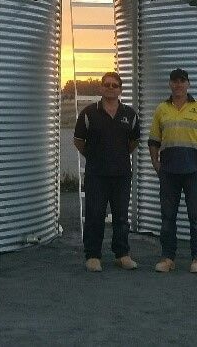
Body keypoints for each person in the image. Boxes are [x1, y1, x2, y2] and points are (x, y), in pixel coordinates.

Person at [147, 68, 197, 274]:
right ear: (170, 84)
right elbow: (153, 140)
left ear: (188, 84)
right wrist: (155, 162)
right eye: (174, 81)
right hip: (169, 172)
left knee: (196, 217)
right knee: (167, 217)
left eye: (182, 81)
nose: (178, 85)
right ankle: (167, 258)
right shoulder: (162, 109)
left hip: (193, 172)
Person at [73, 72, 141, 273]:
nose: (111, 88)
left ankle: (122, 255)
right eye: (107, 85)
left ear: (120, 90)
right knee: (95, 215)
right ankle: (93, 256)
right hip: (96, 174)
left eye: (115, 85)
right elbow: (78, 141)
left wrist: (117, 156)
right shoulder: (88, 113)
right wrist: (94, 156)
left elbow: (133, 142)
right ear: (101, 89)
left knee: (121, 216)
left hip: (121, 174)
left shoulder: (130, 115)